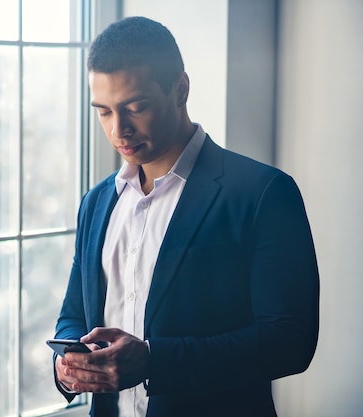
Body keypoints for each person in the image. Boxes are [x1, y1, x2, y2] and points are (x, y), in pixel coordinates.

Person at [51, 16, 319, 417]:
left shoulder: (263, 192)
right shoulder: (96, 202)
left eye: (135, 107)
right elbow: (74, 316)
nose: (118, 130)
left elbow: (290, 341)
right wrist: (67, 365)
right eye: (104, 112)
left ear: (180, 89)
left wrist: (154, 360)